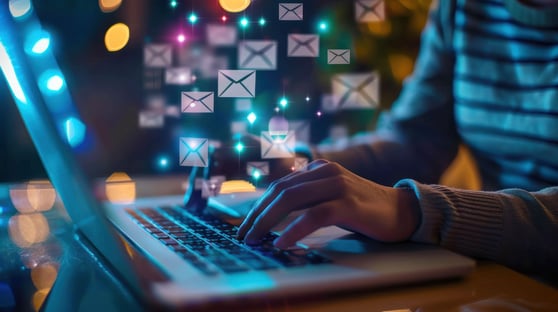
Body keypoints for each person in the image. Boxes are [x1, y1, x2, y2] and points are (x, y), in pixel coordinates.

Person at [234, 0, 558, 280]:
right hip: (501, 278)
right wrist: (299, 165)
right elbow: (418, 140)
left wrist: (413, 211)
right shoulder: (464, 6)